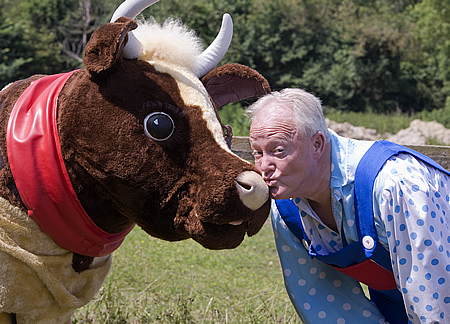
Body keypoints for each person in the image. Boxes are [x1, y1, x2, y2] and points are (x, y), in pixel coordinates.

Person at [247, 88, 450, 324]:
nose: (264, 166)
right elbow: (325, 302)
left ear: (317, 144)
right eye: (258, 153)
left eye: (278, 150)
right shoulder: (286, 209)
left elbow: (434, 302)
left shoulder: (394, 184)